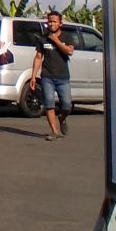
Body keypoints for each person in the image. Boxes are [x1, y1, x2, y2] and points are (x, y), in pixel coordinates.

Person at [32, 10, 74, 141]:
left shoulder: (66, 37)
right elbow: (39, 57)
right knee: (49, 104)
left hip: (63, 77)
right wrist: (33, 76)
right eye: (50, 21)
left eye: (55, 21)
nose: (52, 24)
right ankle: (54, 131)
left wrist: (56, 41)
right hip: (47, 76)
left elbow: (70, 51)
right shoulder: (42, 38)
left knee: (67, 105)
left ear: (60, 23)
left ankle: (62, 118)